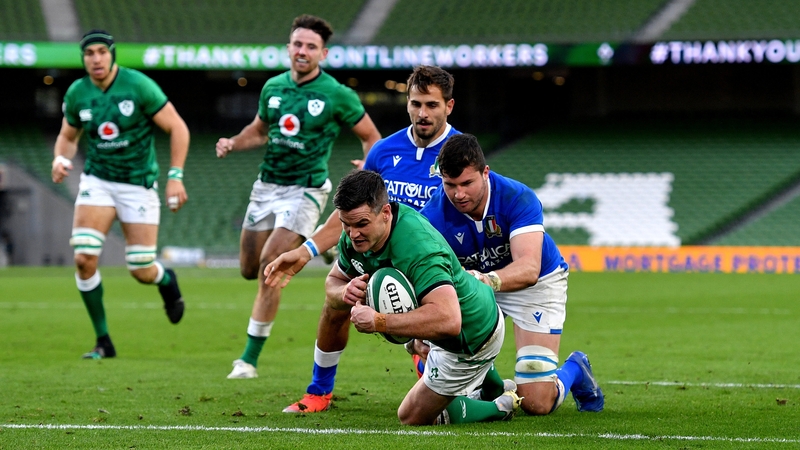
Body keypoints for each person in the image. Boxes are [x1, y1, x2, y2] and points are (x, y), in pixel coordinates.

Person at [264, 65, 461, 412]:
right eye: (415, 104)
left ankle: (434, 363)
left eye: (431, 105)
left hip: (433, 268)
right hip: (380, 261)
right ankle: (318, 391)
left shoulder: (459, 153)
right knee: (338, 299)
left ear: (449, 106)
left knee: (446, 386)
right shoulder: (383, 151)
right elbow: (353, 212)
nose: (422, 113)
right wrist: (306, 251)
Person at [215, 14, 381, 379]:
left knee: (271, 264)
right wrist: (233, 142)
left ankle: (248, 360)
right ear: (289, 48)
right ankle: (326, 243)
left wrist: (368, 165)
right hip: (267, 186)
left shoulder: (337, 94)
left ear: (323, 54)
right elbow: (259, 130)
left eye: (311, 46)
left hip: (306, 188)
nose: (302, 51)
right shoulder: (273, 87)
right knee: (248, 268)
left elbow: (371, 136)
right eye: (298, 44)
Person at [417, 133, 604, 415]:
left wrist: (485, 280)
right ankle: (492, 385)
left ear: (485, 172)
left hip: (536, 284)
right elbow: (425, 279)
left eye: (467, 183)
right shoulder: (432, 217)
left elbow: (529, 268)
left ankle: (576, 369)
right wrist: (419, 330)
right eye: (450, 185)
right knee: (443, 378)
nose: (459, 194)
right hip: (474, 289)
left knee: (537, 403)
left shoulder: (516, 197)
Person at [331, 169, 520, 425]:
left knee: (412, 415)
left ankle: (501, 407)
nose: (353, 234)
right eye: (346, 224)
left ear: (385, 213)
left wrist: (379, 321)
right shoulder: (354, 237)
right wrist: (344, 291)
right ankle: (494, 385)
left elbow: (449, 321)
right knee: (416, 344)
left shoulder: (418, 247)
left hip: (471, 334)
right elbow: (333, 282)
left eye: (361, 224)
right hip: (456, 315)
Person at [51, 29, 189, 359]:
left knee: (141, 269)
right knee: (84, 258)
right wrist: (60, 158)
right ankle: (103, 341)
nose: (96, 58)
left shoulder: (138, 85)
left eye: (102, 51)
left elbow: (177, 127)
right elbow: (68, 136)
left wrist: (175, 176)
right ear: (83, 58)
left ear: (112, 54)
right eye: (89, 53)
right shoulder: (77, 92)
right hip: (97, 181)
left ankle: (166, 280)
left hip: (137, 183)